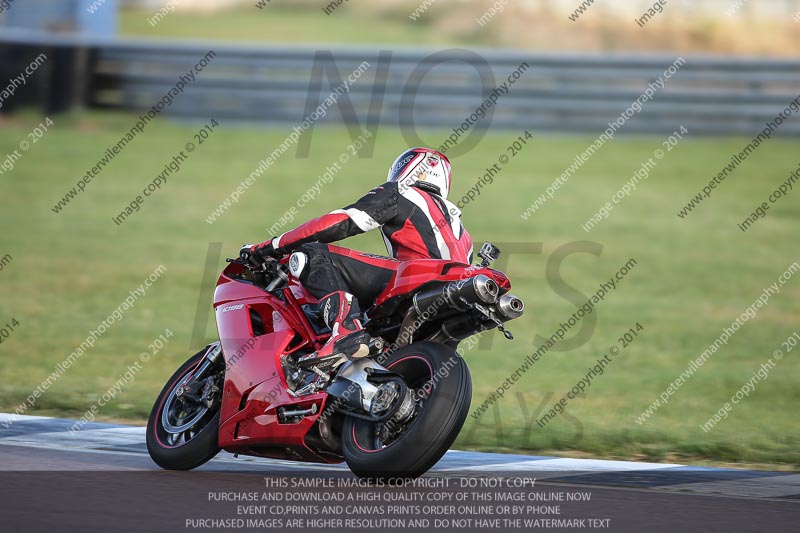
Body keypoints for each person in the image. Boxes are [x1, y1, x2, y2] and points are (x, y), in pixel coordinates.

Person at [244, 147, 473, 366]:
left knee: (312, 253)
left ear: (405, 169)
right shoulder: (464, 233)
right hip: (455, 301)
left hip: (417, 282)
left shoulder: (401, 192)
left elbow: (341, 222)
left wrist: (271, 246)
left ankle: (347, 331)